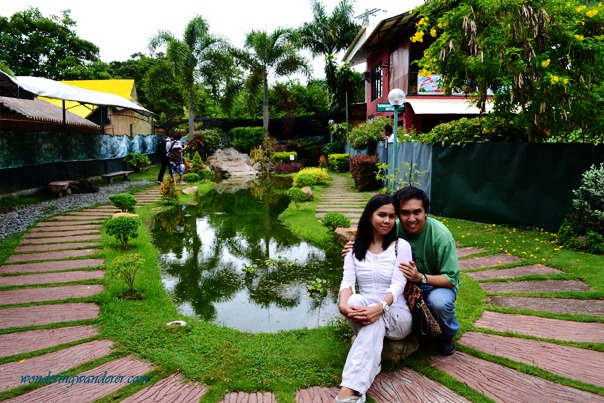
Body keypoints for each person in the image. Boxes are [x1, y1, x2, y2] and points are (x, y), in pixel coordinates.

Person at [343, 186, 460, 356]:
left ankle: (445, 337)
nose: (411, 218)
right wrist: (354, 246)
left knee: (439, 302)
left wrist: (420, 277)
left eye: (417, 212)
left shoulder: (441, 236)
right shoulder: (394, 226)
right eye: (405, 213)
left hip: (435, 284)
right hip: (405, 283)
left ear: (425, 212)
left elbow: (451, 279)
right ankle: (405, 331)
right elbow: (371, 232)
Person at [336, 194, 413, 403]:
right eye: (382, 215)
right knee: (353, 301)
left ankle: (349, 390)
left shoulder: (401, 246)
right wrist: (343, 306)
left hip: (396, 314)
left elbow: (399, 284)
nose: (387, 221)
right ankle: (357, 385)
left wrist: (381, 306)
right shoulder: (354, 248)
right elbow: (347, 283)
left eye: (392, 216)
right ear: (370, 216)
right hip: (365, 311)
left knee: (374, 317)